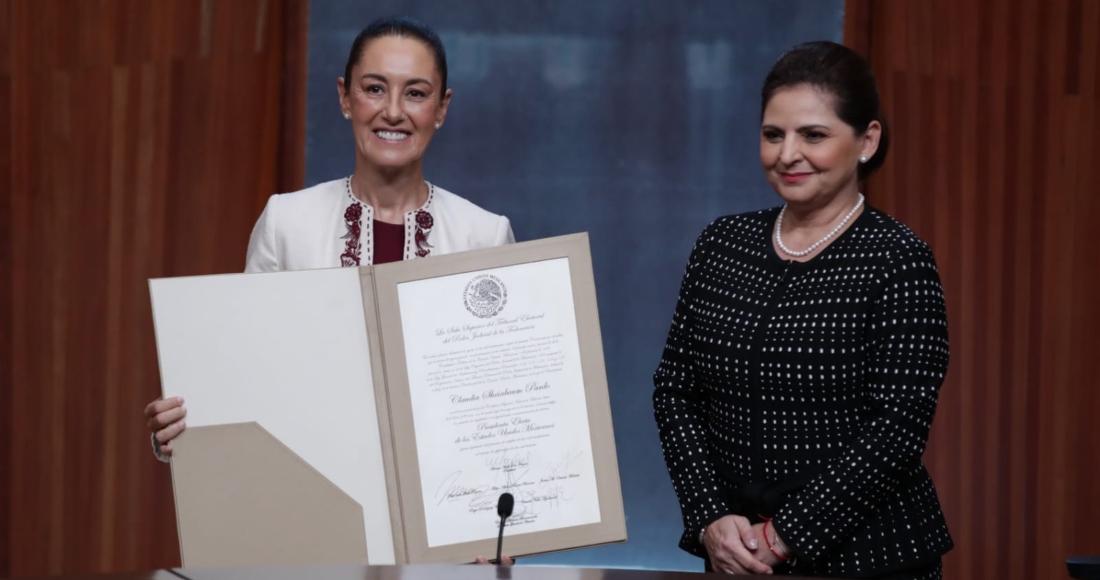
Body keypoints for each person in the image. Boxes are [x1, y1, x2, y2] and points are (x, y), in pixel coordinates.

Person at [145, 15, 513, 460]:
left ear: (441, 108)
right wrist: (184, 431)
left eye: (415, 93)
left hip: (445, 496)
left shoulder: (485, 235)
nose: (393, 111)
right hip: (314, 492)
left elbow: (504, 403)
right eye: (374, 88)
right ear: (344, 97)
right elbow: (244, 372)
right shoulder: (287, 222)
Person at [652, 41, 953, 579]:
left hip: (868, 561)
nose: (787, 153)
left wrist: (785, 536)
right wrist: (709, 518)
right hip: (735, 558)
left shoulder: (898, 259)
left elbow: (898, 427)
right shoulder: (723, 244)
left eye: (813, 135)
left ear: (867, 140)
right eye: (773, 135)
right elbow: (675, 391)